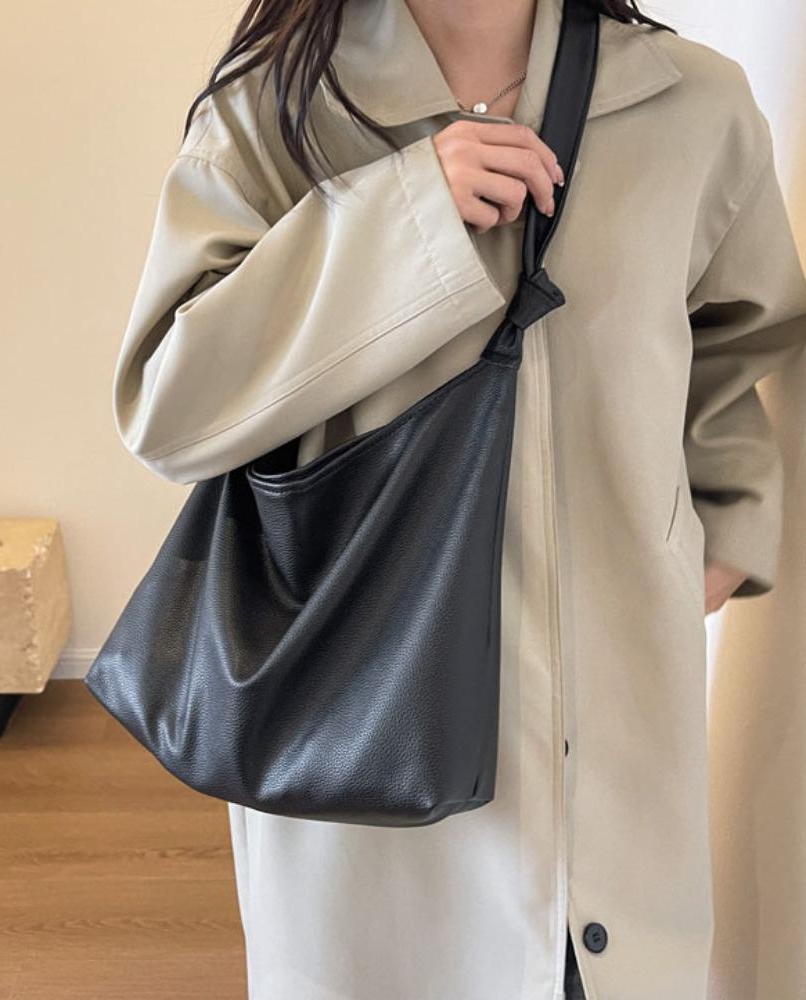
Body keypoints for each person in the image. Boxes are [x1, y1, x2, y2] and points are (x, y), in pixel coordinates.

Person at [109, 0, 806, 996]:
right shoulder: (274, 113)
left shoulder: (693, 105)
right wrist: (405, 219)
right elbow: (171, 405)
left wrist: (725, 522)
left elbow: (738, 344)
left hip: (611, 731)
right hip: (358, 728)